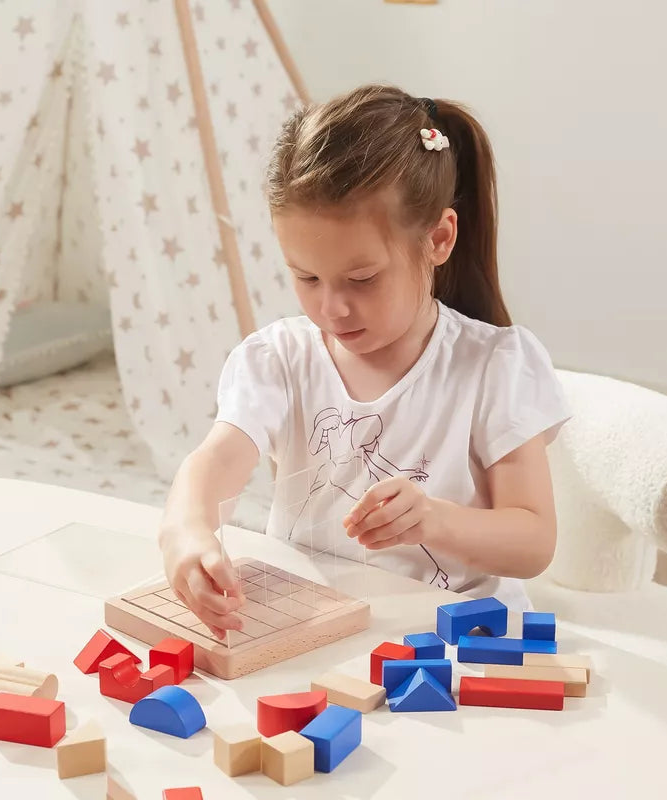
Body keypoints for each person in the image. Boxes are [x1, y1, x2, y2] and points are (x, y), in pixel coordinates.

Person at [158, 84, 571, 640]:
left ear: (439, 239)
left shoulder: (494, 366)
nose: (331, 307)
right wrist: (188, 531)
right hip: (319, 630)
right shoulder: (279, 358)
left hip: (456, 638)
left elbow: (533, 542)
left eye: (362, 279)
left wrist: (434, 519)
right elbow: (218, 459)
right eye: (305, 277)